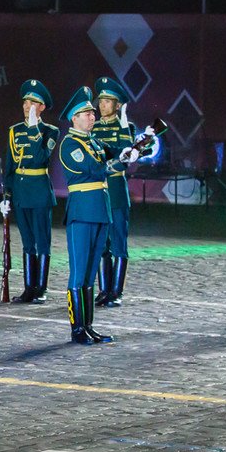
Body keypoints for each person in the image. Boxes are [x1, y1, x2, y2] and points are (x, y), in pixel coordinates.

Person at [57, 86, 114, 345]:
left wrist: (138, 144)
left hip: (100, 210)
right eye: (86, 113)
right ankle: (77, 329)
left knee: (91, 273)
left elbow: (114, 152)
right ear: (74, 118)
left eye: (92, 113)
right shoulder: (70, 144)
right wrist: (118, 161)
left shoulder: (93, 142)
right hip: (82, 212)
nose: (92, 116)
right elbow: (94, 169)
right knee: (79, 273)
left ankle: (88, 325)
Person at [0, 80, 58, 304]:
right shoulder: (13, 131)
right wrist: (7, 195)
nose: (27, 105)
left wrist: (34, 129)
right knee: (27, 242)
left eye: (33, 102)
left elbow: (42, 157)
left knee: (42, 241)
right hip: (22, 192)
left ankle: (41, 288)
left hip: (40, 191)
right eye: (26, 101)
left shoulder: (50, 131)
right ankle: (28, 287)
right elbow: (10, 166)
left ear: (42, 107)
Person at [90, 77, 137, 308]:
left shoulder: (126, 128)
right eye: (101, 101)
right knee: (102, 242)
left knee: (118, 241)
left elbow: (124, 157)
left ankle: (116, 291)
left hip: (117, 189)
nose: (102, 105)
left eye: (108, 101)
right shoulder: (94, 128)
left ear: (118, 106)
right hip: (100, 189)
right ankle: (104, 289)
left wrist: (124, 130)